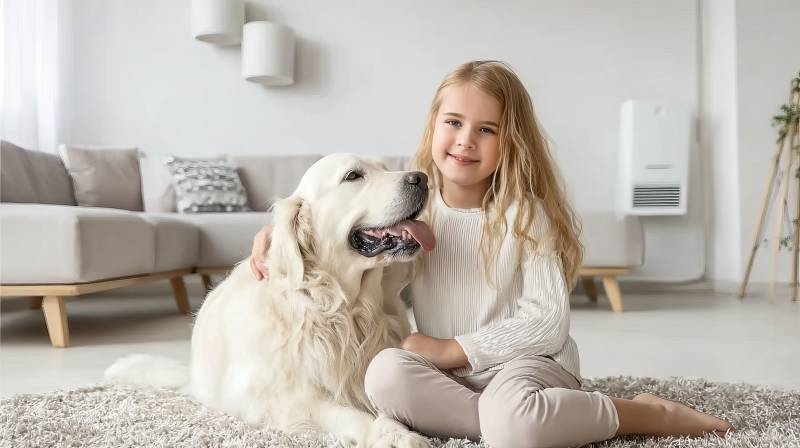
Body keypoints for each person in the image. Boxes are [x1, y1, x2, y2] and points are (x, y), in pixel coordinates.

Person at [249, 60, 734, 448]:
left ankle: (643, 412)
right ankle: (511, 427)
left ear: (511, 143)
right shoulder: (419, 218)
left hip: (529, 363)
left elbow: (548, 323)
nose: (465, 140)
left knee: (513, 420)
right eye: (454, 123)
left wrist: (451, 350)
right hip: (453, 378)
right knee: (385, 376)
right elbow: (354, 247)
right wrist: (280, 237)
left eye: (487, 129)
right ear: (433, 127)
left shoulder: (525, 216)